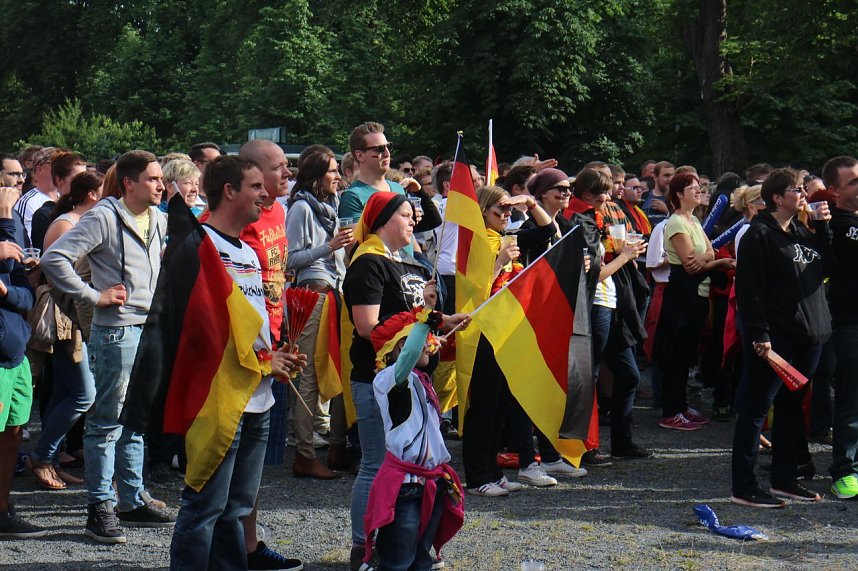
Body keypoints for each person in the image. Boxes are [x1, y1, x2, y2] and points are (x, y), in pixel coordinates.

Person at [169, 155, 306, 571]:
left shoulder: (247, 250)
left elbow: (250, 323)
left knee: (237, 507)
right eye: (255, 187)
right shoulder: (198, 247)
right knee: (205, 505)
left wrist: (276, 355)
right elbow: (201, 333)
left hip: (257, 395)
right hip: (218, 400)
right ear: (229, 191)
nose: (265, 194)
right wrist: (266, 360)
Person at [41, 150, 174, 543]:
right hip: (116, 332)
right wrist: (94, 295)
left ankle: (131, 500)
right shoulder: (104, 216)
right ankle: (100, 507)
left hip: (147, 329)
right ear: (129, 183)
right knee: (107, 423)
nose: (160, 185)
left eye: (160, 179)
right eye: (152, 179)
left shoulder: (159, 219)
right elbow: (54, 259)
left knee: (136, 421)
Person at [342, 191, 466, 570]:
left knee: (413, 468)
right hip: (382, 377)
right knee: (378, 464)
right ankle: (365, 547)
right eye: (406, 215)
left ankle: (407, 545)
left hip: (416, 379)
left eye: (415, 215)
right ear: (381, 219)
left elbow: (416, 318)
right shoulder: (369, 264)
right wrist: (420, 327)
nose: (414, 221)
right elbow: (368, 328)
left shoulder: (410, 263)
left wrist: (439, 325)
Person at [731, 168, 831, 508]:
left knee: (792, 410)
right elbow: (749, 289)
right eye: (797, 189)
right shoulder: (758, 234)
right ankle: (744, 486)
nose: (803, 194)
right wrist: (759, 333)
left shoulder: (802, 231)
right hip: (775, 338)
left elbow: (825, 268)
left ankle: (784, 480)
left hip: (809, 334)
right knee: (756, 408)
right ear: (777, 197)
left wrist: (824, 226)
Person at [462, 184, 560, 494]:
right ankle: (478, 477)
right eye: (498, 210)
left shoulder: (507, 238)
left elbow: (549, 230)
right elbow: (472, 295)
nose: (505, 215)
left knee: (502, 407)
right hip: (483, 333)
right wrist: (498, 261)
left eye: (507, 210)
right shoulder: (475, 243)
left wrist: (530, 203)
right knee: (483, 408)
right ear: (482, 212)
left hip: (507, 331)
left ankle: (493, 472)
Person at [363, 300, 464, 571]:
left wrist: (441, 325)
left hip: (430, 481)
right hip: (405, 487)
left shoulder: (421, 378)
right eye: (421, 339)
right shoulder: (388, 380)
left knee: (421, 558)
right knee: (398, 560)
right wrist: (424, 323)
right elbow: (408, 358)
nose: (429, 343)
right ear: (398, 348)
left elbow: (419, 356)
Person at [27, 172, 103, 490]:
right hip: (64, 318)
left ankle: (50, 460)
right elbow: (55, 272)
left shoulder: (86, 222)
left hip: (78, 317)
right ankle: (42, 457)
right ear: (91, 195)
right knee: (83, 393)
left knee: (64, 391)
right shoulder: (67, 224)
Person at [286, 146, 353, 479]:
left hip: (332, 292)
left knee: (331, 368)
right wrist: (331, 246)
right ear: (315, 175)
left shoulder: (329, 205)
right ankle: (304, 452)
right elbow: (290, 260)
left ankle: (326, 442)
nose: (338, 177)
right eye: (332, 171)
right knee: (310, 374)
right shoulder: (301, 207)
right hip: (312, 295)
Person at [653, 171, 734, 431]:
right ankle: (671, 410)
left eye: (699, 187)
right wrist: (719, 261)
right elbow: (691, 264)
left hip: (697, 294)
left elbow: (707, 251)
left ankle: (681, 404)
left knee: (687, 353)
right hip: (682, 295)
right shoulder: (677, 222)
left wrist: (709, 257)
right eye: (692, 187)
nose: (699, 191)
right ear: (679, 193)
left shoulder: (695, 221)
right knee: (676, 354)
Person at [0, 184, 44, 539]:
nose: (12, 187)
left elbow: (25, 294)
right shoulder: (5, 219)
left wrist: (6, 293)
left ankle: (2, 508)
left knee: (13, 433)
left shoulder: (10, 221)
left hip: (15, 351)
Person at [821, 156, 858, 500]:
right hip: (848, 323)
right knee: (851, 398)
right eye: (854, 182)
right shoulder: (840, 226)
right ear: (834, 190)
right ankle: (844, 470)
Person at [14, 146, 56, 243]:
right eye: (55, 164)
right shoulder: (28, 202)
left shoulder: (64, 196)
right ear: (40, 169)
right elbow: (25, 245)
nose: (60, 169)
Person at [642, 161, 673, 228]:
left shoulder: (677, 197)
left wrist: (667, 211)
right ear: (655, 177)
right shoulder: (644, 197)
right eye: (666, 175)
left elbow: (684, 221)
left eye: (672, 175)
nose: (670, 179)